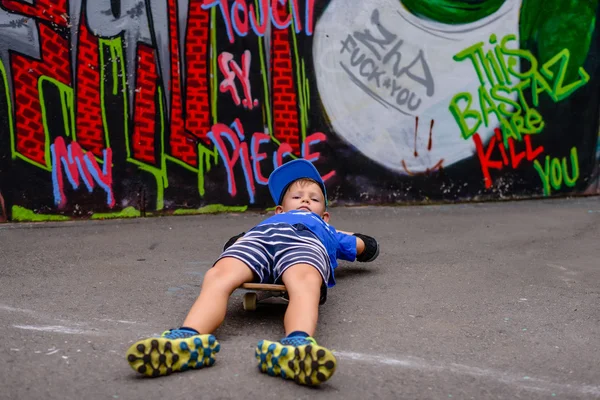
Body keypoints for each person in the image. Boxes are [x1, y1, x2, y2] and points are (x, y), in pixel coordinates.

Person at [126, 159, 380, 385]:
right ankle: (188, 337)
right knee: (219, 275)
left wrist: (352, 240)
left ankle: (297, 344)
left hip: (303, 243)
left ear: (325, 216)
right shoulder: (265, 223)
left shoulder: (327, 229)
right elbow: (236, 241)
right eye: (297, 196)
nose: (305, 200)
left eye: (314, 199)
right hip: (258, 240)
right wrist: (237, 242)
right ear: (279, 210)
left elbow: (365, 247)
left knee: (305, 282)